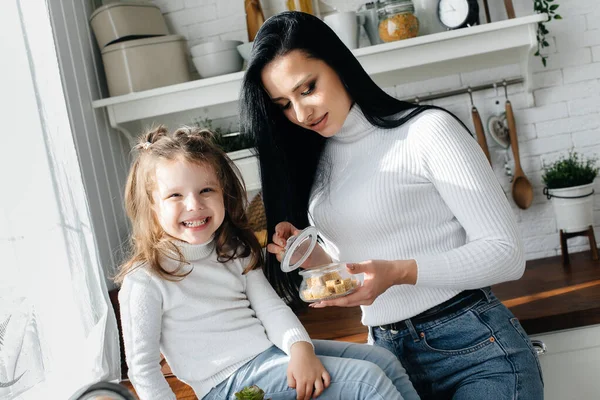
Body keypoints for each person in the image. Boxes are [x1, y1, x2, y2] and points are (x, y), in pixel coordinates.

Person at [239, 11, 544, 400]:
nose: (301, 114)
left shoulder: (426, 132)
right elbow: (363, 259)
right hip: (387, 353)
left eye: (307, 88)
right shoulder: (316, 162)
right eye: (283, 104)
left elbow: (507, 255)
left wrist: (397, 272)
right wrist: (310, 256)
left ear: (338, 64)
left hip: (475, 349)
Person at [114, 125, 420, 400]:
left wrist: (300, 349)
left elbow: (270, 308)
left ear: (225, 194)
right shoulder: (145, 279)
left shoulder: (233, 252)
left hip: (269, 355)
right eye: (175, 196)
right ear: (152, 208)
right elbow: (143, 369)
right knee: (367, 383)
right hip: (229, 386)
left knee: (382, 362)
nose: (194, 204)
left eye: (206, 190)